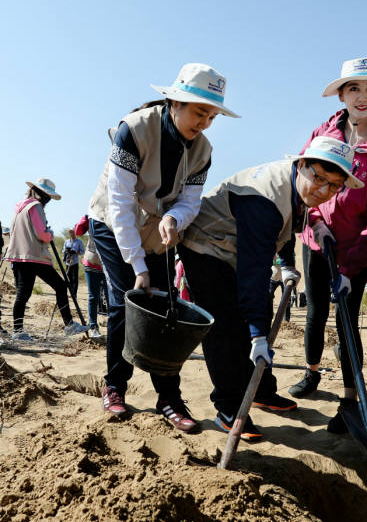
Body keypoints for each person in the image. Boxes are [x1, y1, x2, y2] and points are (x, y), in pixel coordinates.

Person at [180, 136, 364, 439]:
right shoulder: (264, 201)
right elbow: (254, 271)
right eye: (318, 178)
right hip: (206, 247)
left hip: (238, 249)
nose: (323, 190)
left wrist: (294, 253)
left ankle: (262, 391)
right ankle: (229, 408)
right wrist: (256, 335)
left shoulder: (293, 187)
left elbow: (286, 227)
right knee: (227, 328)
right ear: (301, 164)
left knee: (259, 315)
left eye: (333, 186)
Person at [88, 63, 236, 431]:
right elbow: (121, 203)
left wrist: (175, 219)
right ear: (175, 101)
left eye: (212, 115)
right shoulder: (134, 130)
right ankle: (115, 386)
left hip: (157, 229)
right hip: (113, 223)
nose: (204, 122)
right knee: (129, 299)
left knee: (167, 306)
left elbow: (191, 200)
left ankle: (169, 397)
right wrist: (138, 266)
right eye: (199, 111)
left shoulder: (203, 150)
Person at [288, 58, 367, 433]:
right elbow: (304, 180)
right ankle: (311, 372)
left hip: (357, 250)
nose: (362, 96)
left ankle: (350, 399)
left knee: (347, 319)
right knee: (315, 310)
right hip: (315, 239)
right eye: (354, 88)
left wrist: (351, 264)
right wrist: (317, 225)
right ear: (341, 94)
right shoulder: (325, 132)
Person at [4, 179, 88, 341]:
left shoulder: (20, 207)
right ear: (42, 194)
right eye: (47, 196)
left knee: (25, 293)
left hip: (20, 255)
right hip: (33, 256)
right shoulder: (35, 206)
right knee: (59, 287)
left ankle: (19, 330)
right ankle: (67, 325)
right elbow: (41, 234)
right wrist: (49, 234)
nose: (48, 200)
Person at [74, 215, 106, 338]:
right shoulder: (92, 217)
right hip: (91, 262)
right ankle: (93, 327)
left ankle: (114, 328)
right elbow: (78, 232)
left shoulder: (114, 216)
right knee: (94, 297)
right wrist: (86, 218)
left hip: (107, 265)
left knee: (112, 298)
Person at [62, 228, 85, 296]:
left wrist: (75, 252)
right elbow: (63, 250)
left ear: (75, 233)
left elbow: (82, 251)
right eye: (70, 232)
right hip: (67, 262)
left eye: (72, 232)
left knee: (75, 279)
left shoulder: (79, 242)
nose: (71, 233)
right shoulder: (66, 242)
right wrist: (66, 253)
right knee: (69, 278)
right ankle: (71, 292)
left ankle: (74, 294)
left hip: (74, 262)